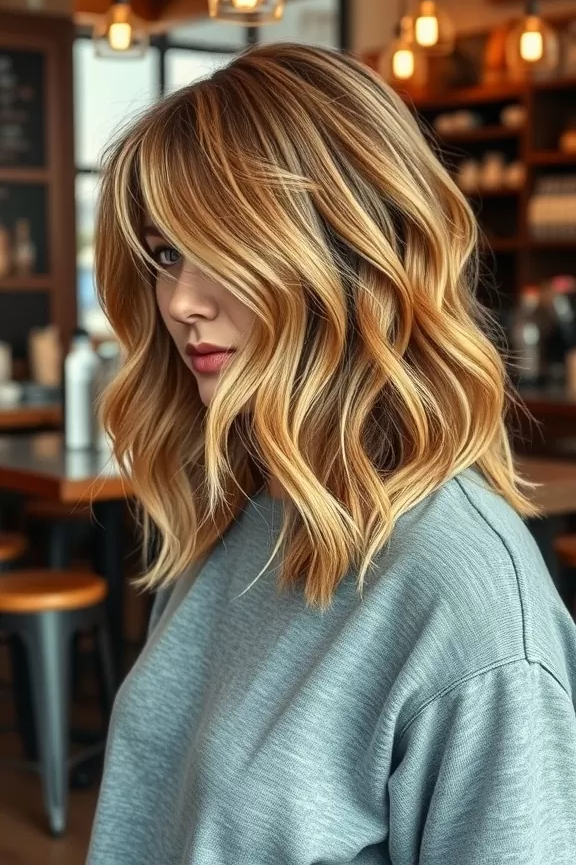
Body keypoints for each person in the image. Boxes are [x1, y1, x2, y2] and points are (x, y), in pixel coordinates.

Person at [87, 43, 576, 865]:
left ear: (348, 250)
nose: (180, 302)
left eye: (224, 248)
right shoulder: (242, 506)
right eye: (166, 254)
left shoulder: (467, 607)